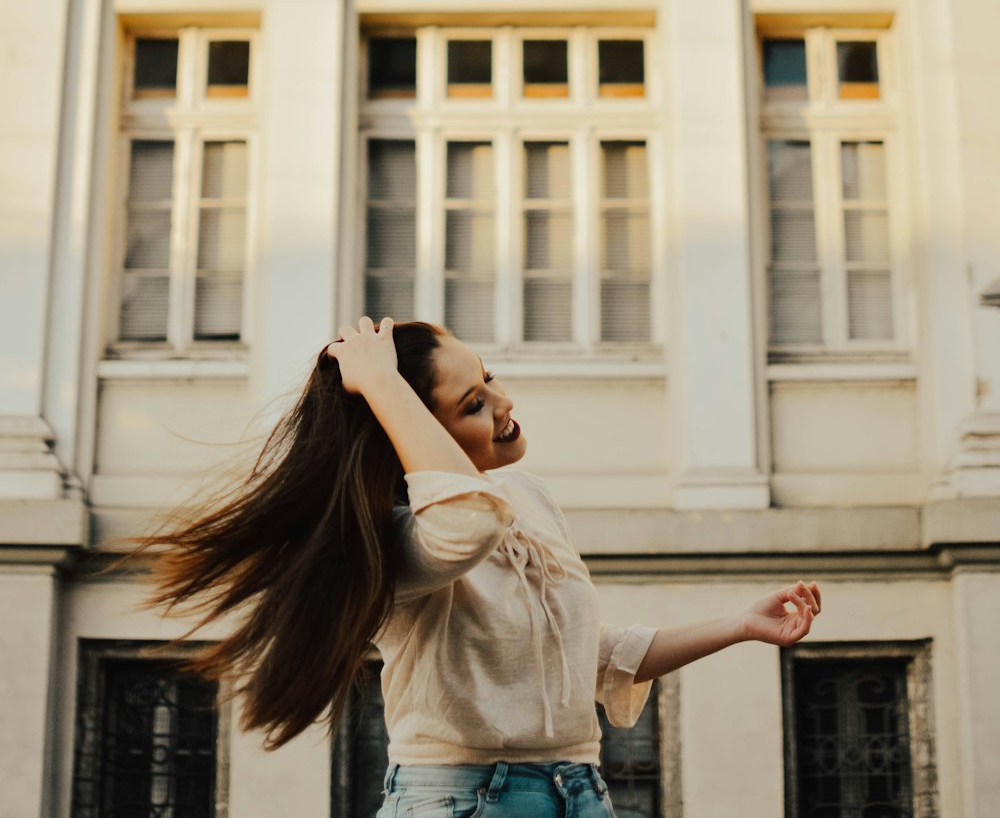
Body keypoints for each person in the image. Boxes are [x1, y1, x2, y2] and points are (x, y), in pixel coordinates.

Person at [145, 317, 821, 818]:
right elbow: (464, 523)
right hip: (465, 799)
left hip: (580, 791)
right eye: (471, 403)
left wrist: (739, 625)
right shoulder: (400, 540)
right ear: (410, 425)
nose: (503, 404)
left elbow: (587, 658)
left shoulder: (526, 500)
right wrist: (378, 380)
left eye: (488, 377)